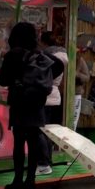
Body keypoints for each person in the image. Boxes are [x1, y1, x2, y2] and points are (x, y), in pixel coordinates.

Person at [0, 22, 64, 189]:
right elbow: (58, 65)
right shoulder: (39, 54)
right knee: (34, 142)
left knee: (19, 142)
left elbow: (2, 80)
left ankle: (17, 180)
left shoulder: (14, 54)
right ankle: (31, 181)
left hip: (20, 102)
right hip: (37, 103)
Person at [35, 31, 68, 176]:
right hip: (55, 96)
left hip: (45, 95)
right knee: (48, 130)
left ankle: (43, 163)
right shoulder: (63, 57)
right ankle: (47, 161)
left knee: (40, 130)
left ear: (43, 42)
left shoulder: (46, 57)